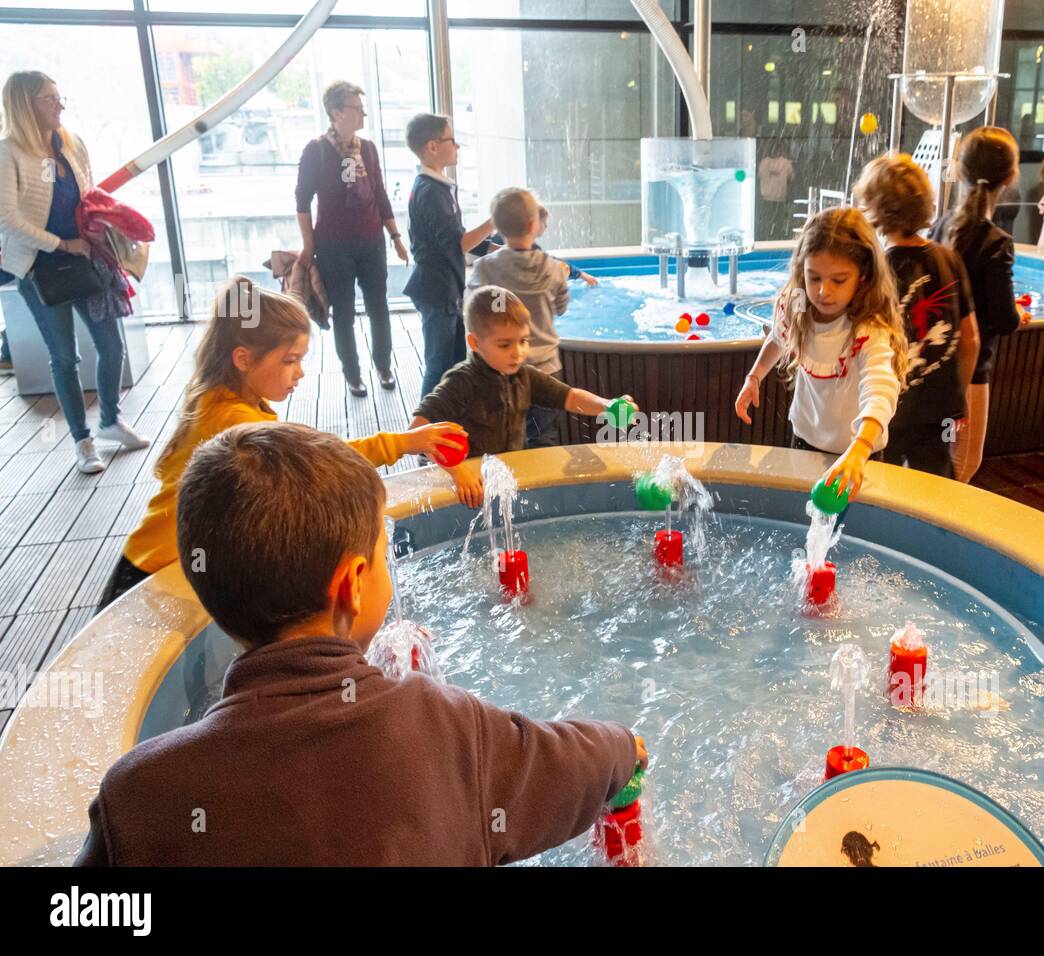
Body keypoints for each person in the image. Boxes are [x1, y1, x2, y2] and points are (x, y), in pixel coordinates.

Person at [76, 421, 647, 865]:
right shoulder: (447, 729)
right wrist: (625, 747)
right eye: (381, 555)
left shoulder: (140, 794)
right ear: (351, 585)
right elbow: (567, 763)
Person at [97, 277, 466, 611]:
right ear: (242, 358)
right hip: (154, 574)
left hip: (154, 558)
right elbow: (320, 459)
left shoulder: (225, 399)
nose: (300, 372)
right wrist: (404, 443)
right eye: (290, 360)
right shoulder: (234, 422)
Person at [0, 70, 148, 474]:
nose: (60, 105)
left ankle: (111, 421)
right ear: (25, 105)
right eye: (50, 99)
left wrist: (100, 225)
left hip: (86, 255)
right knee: (64, 356)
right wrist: (62, 244)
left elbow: (88, 195)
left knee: (111, 343)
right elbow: (7, 218)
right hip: (39, 266)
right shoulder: (9, 153)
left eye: (60, 97)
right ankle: (83, 442)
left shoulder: (70, 144)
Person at [733, 206, 906, 500]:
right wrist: (754, 376)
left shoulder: (867, 328)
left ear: (863, 276)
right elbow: (778, 338)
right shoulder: (798, 306)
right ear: (802, 269)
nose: (824, 291)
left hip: (859, 452)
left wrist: (859, 450)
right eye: (814, 278)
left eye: (839, 280)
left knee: (851, 532)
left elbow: (880, 389)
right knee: (802, 519)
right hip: (804, 438)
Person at [410, 285, 636, 508]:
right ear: (475, 343)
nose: (517, 352)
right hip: (468, 487)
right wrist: (458, 470)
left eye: (523, 341)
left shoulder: (524, 376)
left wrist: (606, 405)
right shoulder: (462, 382)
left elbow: (571, 397)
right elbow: (417, 428)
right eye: (505, 344)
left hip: (506, 477)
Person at [854, 153, 980, 478]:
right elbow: (971, 339)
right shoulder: (949, 259)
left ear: (875, 210)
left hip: (890, 410)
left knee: (881, 486)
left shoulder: (877, 270)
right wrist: (957, 398)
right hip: (942, 412)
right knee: (940, 487)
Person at [932, 126, 1031, 484]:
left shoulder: (942, 226)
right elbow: (1004, 319)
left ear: (960, 171)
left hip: (932, 363)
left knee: (933, 462)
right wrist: (1019, 311)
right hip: (970, 373)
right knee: (963, 465)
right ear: (1010, 177)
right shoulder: (996, 242)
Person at [295, 81, 407, 398]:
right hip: (333, 245)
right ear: (336, 112)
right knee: (343, 311)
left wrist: (395, 236)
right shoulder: (316, 151)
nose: (363, 114)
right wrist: (309, 244)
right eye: (357, 108)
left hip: (371, 240)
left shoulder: (367, 149)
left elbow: (380, 194)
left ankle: (383, 365)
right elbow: (302, 201)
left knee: (379, 307)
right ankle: (353, 374)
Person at [467, 188, 570, 448]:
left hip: (501, 370)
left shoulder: (486, 268)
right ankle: (542, 487)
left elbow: (474, 310)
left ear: (498, 228)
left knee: (501, 438)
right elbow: (561, 307)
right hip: (546, 368)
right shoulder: (553, 268)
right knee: (544, 438)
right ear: (533, 225)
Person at [403, 113, 495, 401]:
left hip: (446, 288)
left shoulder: (437, 186)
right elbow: (457, 243)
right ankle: (422, 434)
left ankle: (448, 422)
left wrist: (502, 249)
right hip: (436, 289)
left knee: (454, 361)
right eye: (451, 140)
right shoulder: (430, 191)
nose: (457, 146)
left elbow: (460, 238)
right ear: (433, 146)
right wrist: (495, 221)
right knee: (438, 365)